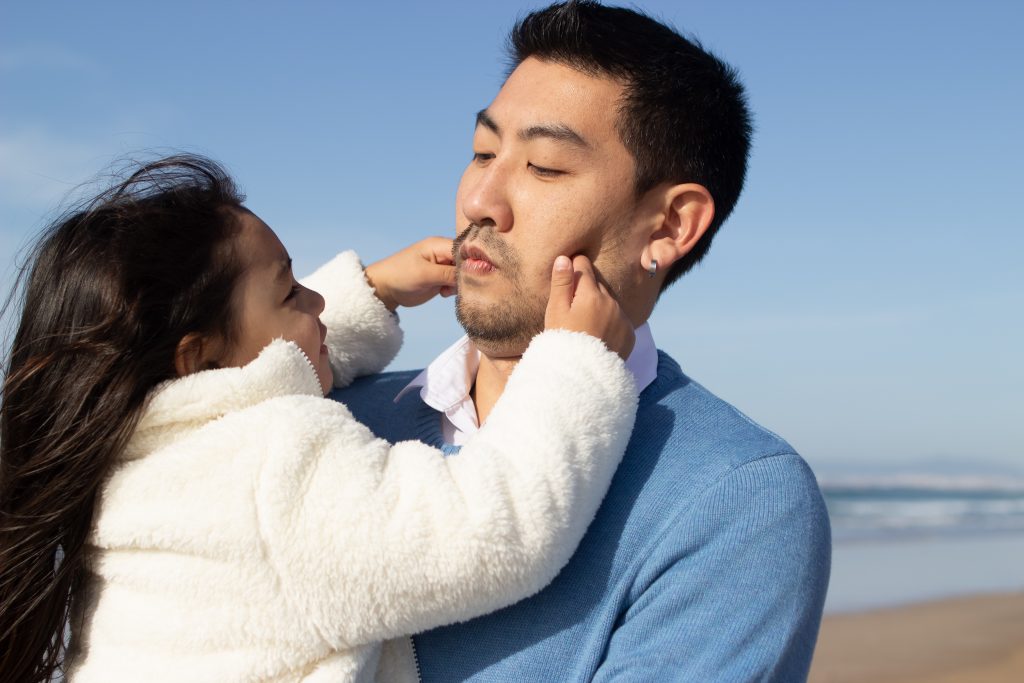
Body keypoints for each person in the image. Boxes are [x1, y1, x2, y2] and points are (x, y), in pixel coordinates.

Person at [0, 154, 642, 682]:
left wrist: (376, 291)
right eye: (290, 291)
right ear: (198, 358)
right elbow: (493, 528)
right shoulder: (269, 466)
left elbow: (267, 370)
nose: (317, 302)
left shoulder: (134, 451)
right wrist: (577, 361)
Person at [334, 2, 832, 681]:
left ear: (670, 225)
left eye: (543, 166)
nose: (482, 198)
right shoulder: (336, 420)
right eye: (482, 151)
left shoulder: (738, 498)